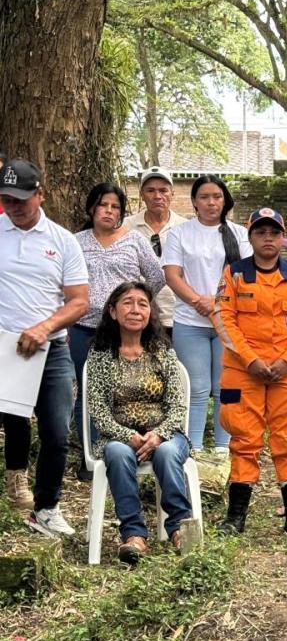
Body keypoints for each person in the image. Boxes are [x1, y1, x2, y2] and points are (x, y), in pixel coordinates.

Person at [213, 208, 287, 541]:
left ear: (283, 236)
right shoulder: (233, 274)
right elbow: (222, 317)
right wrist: (250, 360)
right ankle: (236, 518)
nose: (268, 238)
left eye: (274, 232)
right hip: (244, 373)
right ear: (251, 237)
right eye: (261, 232)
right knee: (243, 441)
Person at [0, 159, 89, 535]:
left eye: (22, 198)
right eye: (6, 199)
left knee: (56, 429)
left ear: (40, 195)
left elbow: (79, 301)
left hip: (49, 349)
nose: (14, 206)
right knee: (13, 423)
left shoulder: (62, 240)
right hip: (3, 345)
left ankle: (47, 506)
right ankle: (14, 482)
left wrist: (44, 326)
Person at [85, 282, 190, 563]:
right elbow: (97, 408)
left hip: (166, 434)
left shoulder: (162, 351)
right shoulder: (100, 355)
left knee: (167, 453)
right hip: (118, 437)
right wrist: (127, 435)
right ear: (113, 312)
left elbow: (178, 404)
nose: (135, 310)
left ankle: (180, 528)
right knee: (118, 454)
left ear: (150, 313)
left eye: (142, 304)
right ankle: (134, 535)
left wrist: (159, 434)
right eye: (128, 303)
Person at [70, 182, 165, 472]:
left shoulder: (134, 241)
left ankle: (121, 452)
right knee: (87, 389)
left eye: (115, 207)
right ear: (91, 208)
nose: (109, 211)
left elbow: (156, 278)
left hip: (123, 332)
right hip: (83, 328)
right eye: (103, 205)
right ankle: (90, 453)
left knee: (119, 391)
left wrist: (131, 307)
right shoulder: (75, 241)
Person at [162, 176, 251, 456]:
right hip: (189, 322)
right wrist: (198, 300)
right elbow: (172, 275)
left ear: (224, 201)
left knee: (225, 386)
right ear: (194, 202)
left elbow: (247, 276)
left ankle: (223, 449)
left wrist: (217, 302)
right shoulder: (180, 233)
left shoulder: (239, 234)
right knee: (196, 388)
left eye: (217, 197)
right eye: (204, 197)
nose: (211, 203)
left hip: (229, 323)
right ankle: (195, 449)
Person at [126, 167, 188, 335]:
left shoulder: (186, 228)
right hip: (138, 317)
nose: (157, 196)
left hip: (181, 315)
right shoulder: (126, 228)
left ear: (172, 193)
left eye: (163, 190)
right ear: (141, 194)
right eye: (150, 191)